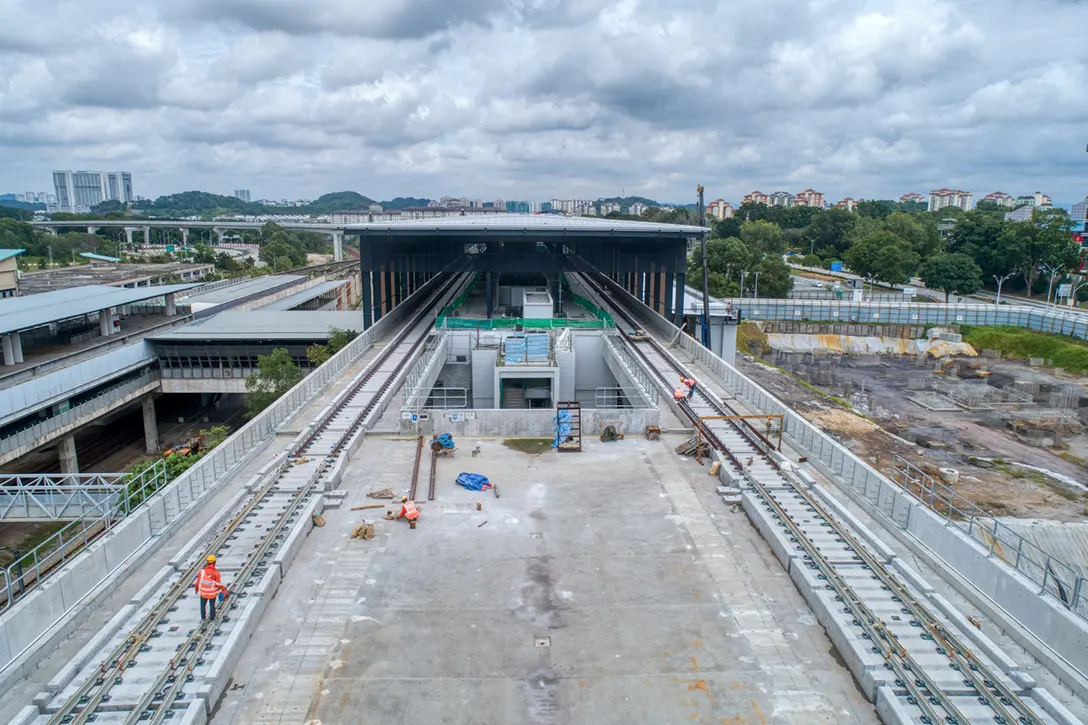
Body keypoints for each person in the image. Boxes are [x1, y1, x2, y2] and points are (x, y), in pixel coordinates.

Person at [194, 554, 228, 622]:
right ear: (214, 563)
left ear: (207, 562)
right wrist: (224, 589)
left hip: (203, 592)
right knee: (212, 605)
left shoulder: (202, 572)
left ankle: (203, 618)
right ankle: (212, 618)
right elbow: (218, 584)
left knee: (202, 605)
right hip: (212, 593)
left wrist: (196, 588)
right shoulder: (216, 573)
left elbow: (198, 581)